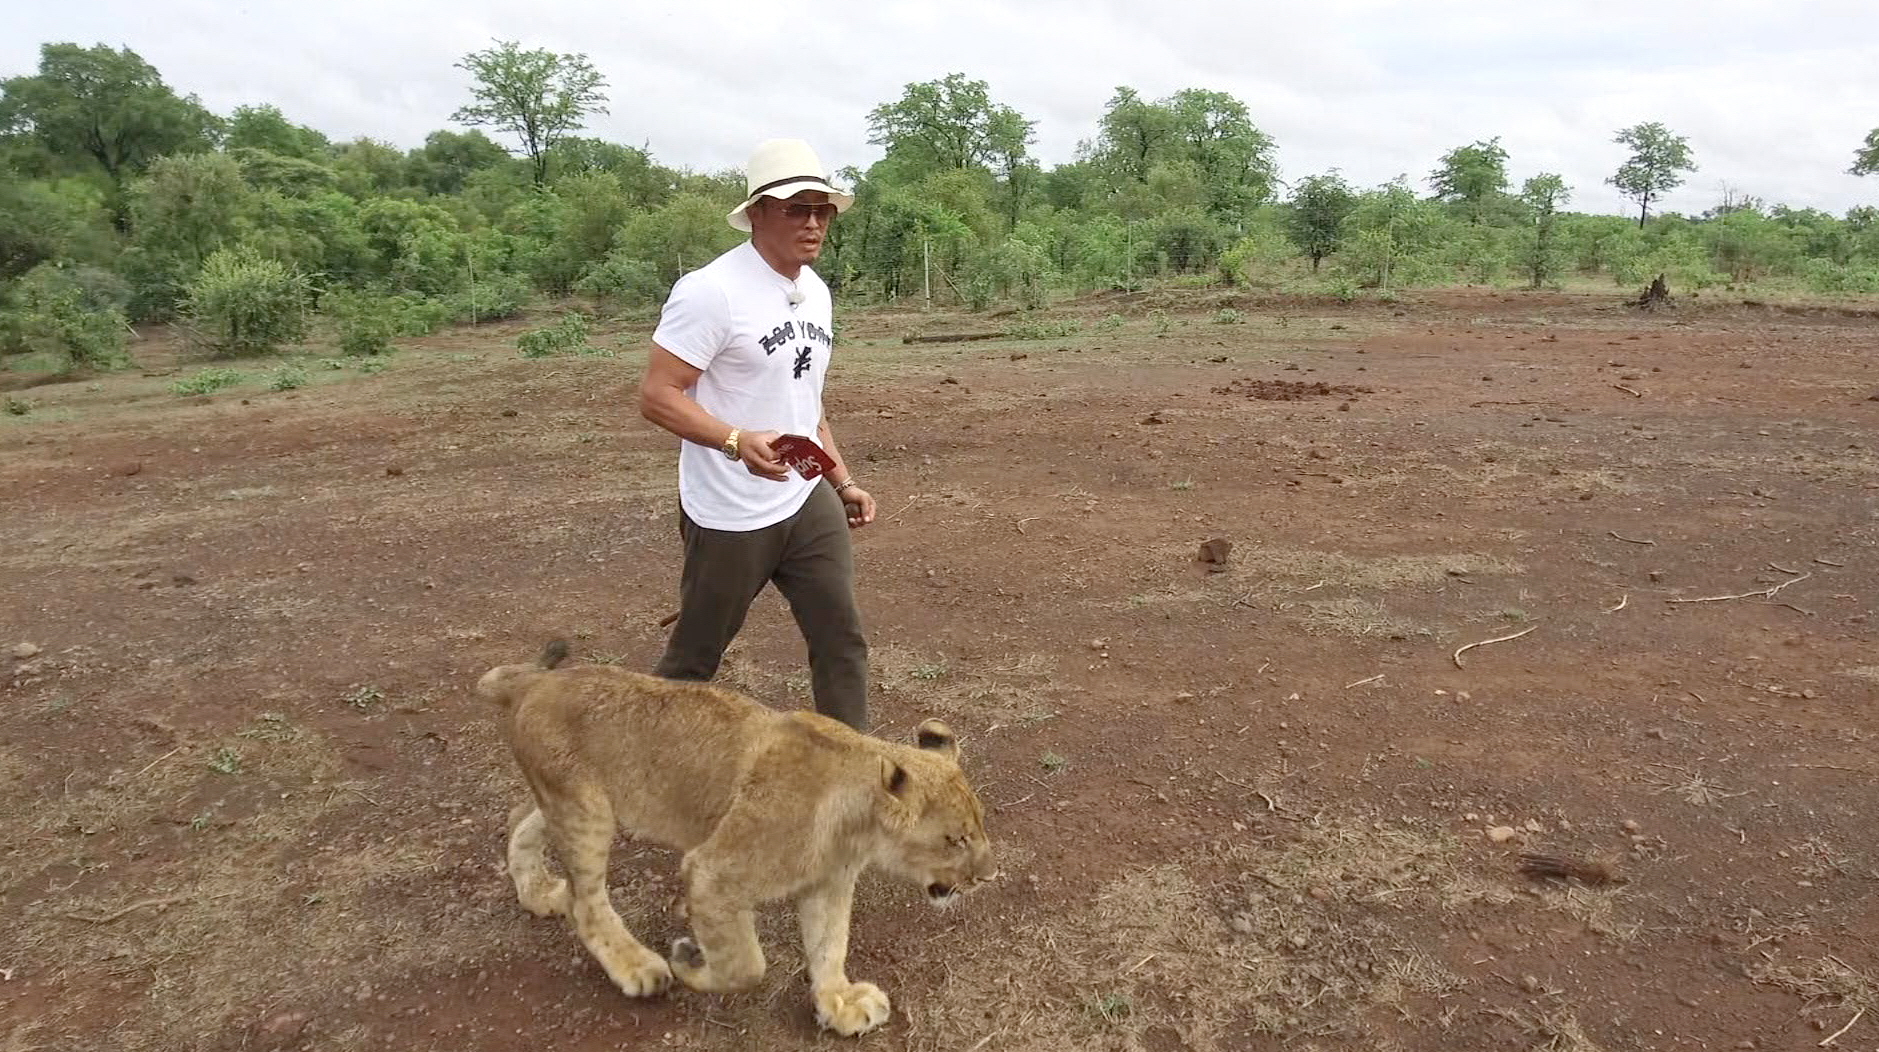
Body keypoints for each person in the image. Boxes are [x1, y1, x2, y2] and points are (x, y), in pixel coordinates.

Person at [637, 138, 877, 732]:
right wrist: (733, 440)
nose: (815, 222)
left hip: (802, 494)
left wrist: (841, 480)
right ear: (759, 212)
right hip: (729, 511)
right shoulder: (710, 291)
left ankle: (852, 769)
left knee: (841, 638)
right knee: (696, 658)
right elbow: (657, 395)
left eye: (823, 209)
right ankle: (642, 754)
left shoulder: (815, 292)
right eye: (798, 208)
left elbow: (804, 401)